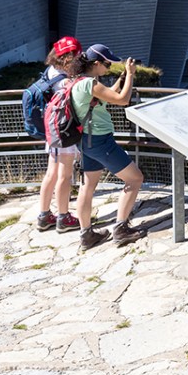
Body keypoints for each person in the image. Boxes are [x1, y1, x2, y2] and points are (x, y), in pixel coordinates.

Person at [70, 43, 145, 250]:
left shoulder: (79, 81)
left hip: (86, 140)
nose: (108, 68)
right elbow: (122, 100)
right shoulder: (89, 84)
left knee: (87, 186)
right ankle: (121, 229)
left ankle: (87, 235)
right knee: (135, 178)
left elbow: (106, 98)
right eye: (106, 64)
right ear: (95, 63)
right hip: (100, 141)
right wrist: (130, 75)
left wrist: (121, 78)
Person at [35, 36, 84, 234]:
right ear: (68, 57)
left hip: (53, 129)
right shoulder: (64, 80)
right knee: (64, 175)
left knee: (51, 173)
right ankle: (64, 217)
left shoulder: (51, 72)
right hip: (65, 130)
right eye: (78, 55)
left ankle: (44, 215)